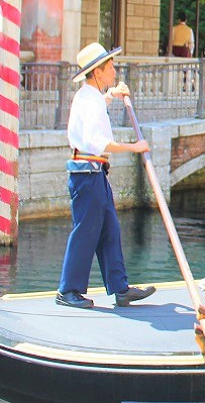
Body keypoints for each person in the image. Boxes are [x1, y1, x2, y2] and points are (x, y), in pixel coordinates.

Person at [56, 42, 156, 309]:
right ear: (98, 72)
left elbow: (99, 103)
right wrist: (134, 147)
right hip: (86, 176)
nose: (114, 69)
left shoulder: (91, 97)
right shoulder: (89, 101)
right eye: (110, 66)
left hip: (95, 174)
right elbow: (98, 141)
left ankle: (120, 288)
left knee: (110, 229)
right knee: (86, 232)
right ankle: (68, 290)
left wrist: (111, 93)